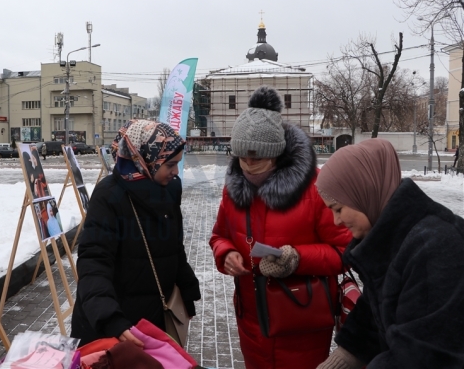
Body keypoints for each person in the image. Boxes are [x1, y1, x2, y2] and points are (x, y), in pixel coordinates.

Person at [209, 86, 351, 369]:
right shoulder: (234, 188)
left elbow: (345, 251)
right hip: (252, 320)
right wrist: (225, 254)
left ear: (277, 154)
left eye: (258, 159)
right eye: (242, 158)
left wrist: (297, 259)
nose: (248, 167)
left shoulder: (316, 188)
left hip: (302, 321)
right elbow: (219, 236)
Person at [315, 139, 464, 369]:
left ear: (363, 192)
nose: (336, 221)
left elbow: (420, 357)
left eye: (338, 209)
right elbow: (374, 320)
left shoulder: (432, 249)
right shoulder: (392, 241)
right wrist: (340, 361)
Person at [71, 119, 201, 347]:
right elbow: (94, 262)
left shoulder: (169, 190)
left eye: (178, 164)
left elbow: (174, 246)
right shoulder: (108, 196)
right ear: (145, 159)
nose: (175, 172)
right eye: (170, 164)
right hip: (116, 325)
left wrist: (187, 290)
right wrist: (110, 318)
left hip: (157, 318)